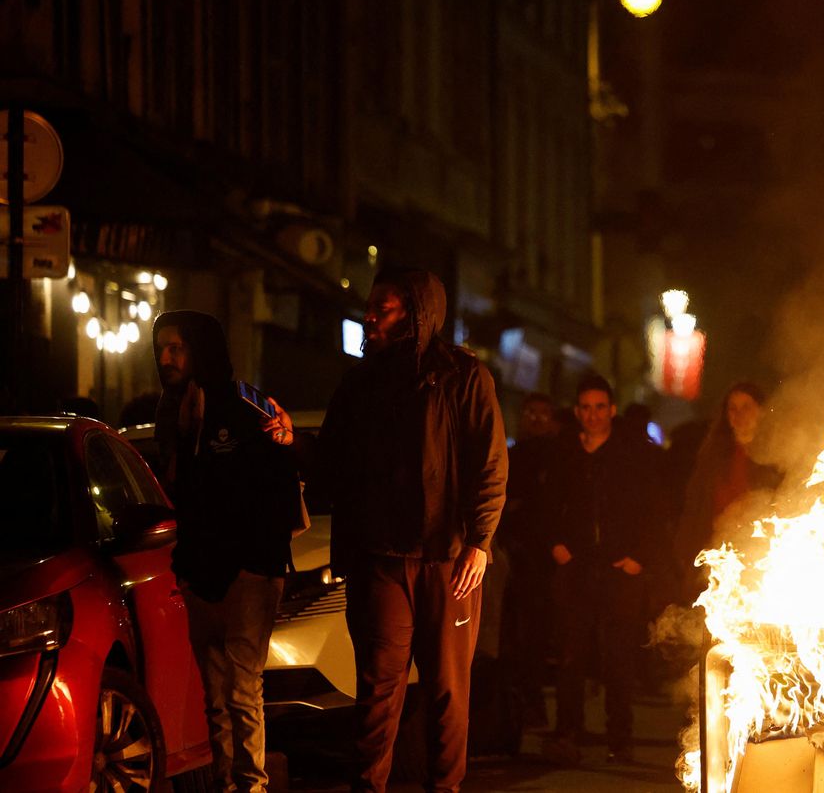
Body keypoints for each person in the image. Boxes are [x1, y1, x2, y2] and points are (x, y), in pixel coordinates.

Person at [285, 268, 507, 793]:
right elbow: (331, 464)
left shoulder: (462, 375)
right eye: (371, 307)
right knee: (378, 690)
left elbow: (490, 462)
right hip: (380, 559)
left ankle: (444, 788)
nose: (369, 317)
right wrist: (292, 440)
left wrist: (480, 541)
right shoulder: (359, 382)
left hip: (448, 561)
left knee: (447, 691)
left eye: (381, 309)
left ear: (414, 315)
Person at [150, 310, 301, 793]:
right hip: (201, 572)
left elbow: (278, 487)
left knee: (241, 689)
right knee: (215, 695)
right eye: (161, 349)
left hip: (248, 573)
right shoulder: (169, 411)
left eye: (177, 347)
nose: (166, 358)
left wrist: (260, 564)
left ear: (201, 349)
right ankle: (225, 783)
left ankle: (251, 784)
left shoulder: (245, 406)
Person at [543, 375, 663, 765]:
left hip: (619, 569)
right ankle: (567, 733)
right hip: (578, 567)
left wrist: (639, 558)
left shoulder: (631, 454)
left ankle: (620, 738)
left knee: (618, 659)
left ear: (612, 409)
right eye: (586, 408)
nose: (593, 415)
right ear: (577, 412)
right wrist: (556, 545)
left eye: (600, 407)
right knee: (571, 656)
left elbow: (654, 509)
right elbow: (545, 504)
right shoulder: (565, 453)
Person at [498, 392, 564, 727]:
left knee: (554, 633)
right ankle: (528, 703)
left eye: (543, 413)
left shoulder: (562, 456)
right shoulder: (513, 456)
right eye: (530, 413)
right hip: (524, 558)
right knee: (527, 635)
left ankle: (565, 716)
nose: (536, 419)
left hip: (558, 557)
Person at [673, 382, 781, 583]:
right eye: (733, 408)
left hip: (760, 555)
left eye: (746, 407)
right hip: (714, 555)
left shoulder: (778, 454)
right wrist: (685, 552)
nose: (739, 414)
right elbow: (694, 506)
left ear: (762, 410)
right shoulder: (713, 455)